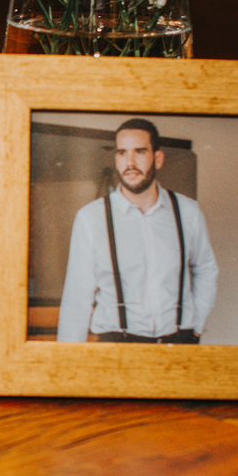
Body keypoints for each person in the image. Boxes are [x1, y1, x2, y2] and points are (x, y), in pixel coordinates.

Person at [56, 119, 218, 343]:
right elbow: (77, 296)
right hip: (117, 347)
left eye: (139, 152)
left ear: (158, 159)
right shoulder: (91, 218)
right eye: (122, 153)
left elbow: (206, 269)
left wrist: (196, 328)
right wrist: (68, 359)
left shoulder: (187, 211)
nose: (130, 162)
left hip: (178, 345)